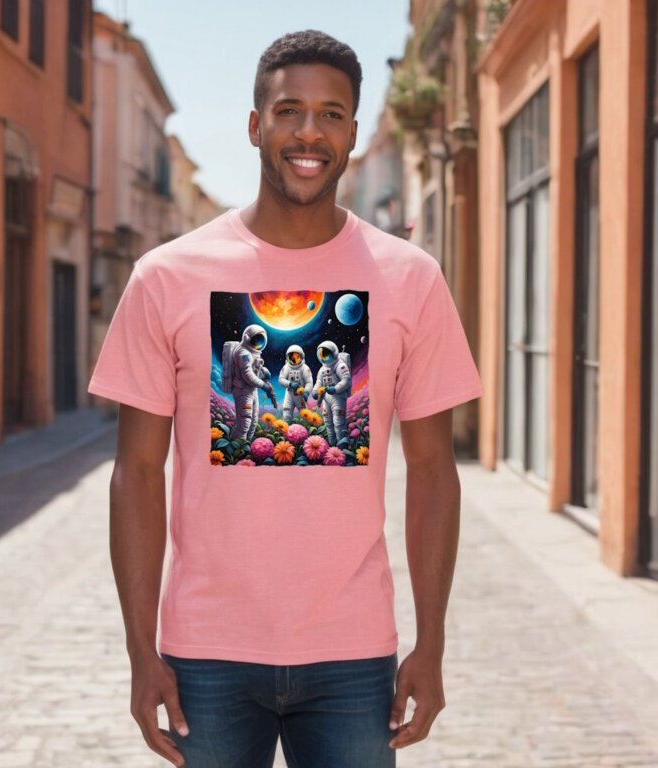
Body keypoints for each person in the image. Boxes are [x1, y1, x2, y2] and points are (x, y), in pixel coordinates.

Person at [88, 29, 482, 768]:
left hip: (354, 655)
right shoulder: (167, 276)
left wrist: (431, 644)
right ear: (255, 125)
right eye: (290, 110)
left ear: (355, 134)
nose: (310, 131)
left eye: (332, 115)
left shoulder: (411, 278)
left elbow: (434, 470)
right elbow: (135, 472)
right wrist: (142, 652)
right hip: (205, 654)